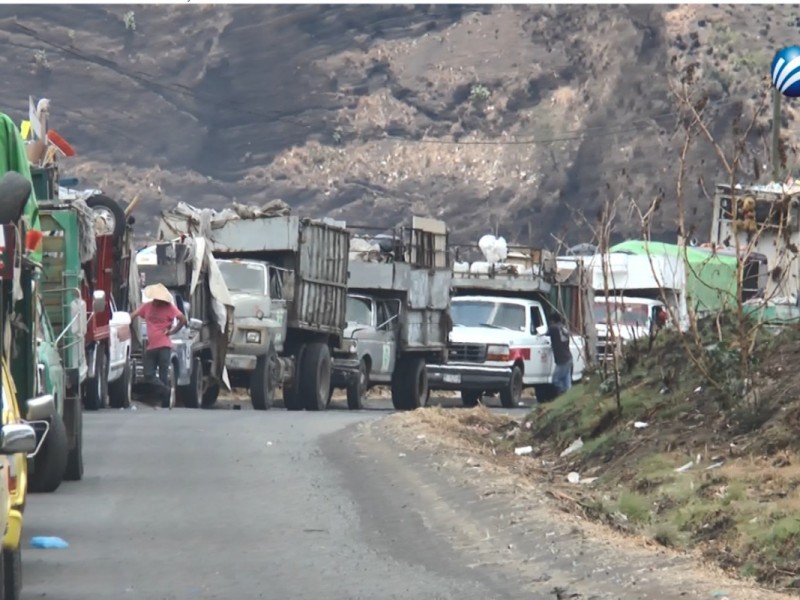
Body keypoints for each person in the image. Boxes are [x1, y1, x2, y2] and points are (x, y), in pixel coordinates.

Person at [131, 283, 187, 392]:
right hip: (151, 347)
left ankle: (165, 401)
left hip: (164, 346)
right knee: (148, 374)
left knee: (163, 375)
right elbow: (133, 315)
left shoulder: (170, 307)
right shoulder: (147, 306)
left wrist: (172, 331)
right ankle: (166, 390)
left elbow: (183, 320)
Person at [548, 312, 573, 396]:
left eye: (550, 321)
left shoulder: (553, 328)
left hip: (562, 360)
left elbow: (547, 332)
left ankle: (563, 394)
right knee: (567, 383)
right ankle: (568, 397)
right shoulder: (564, 328)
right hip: (568, 358)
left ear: (552, 320)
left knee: (556, 380)